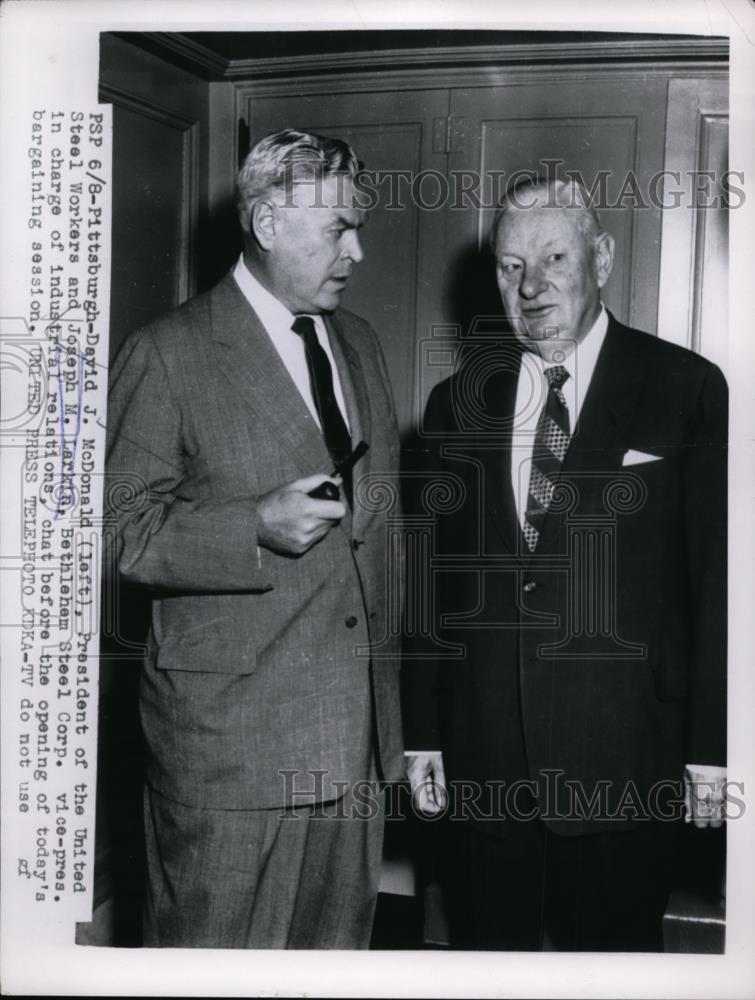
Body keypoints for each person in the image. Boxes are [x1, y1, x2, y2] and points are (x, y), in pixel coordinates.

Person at [403, 175, 727, 951]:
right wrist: (422, 734)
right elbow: (431, 585)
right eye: (511, 266)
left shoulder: (685, 389)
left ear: (602, 257)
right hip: (485, 763)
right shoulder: (455, 405)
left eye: (553, 257)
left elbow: (719, 584)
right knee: (489, 965)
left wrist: (711, 752)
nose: (532, 286)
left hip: (623, 759)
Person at [105, 129, 404, 949]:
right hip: (229, 754)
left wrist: (397, 736)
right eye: (339, 227)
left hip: (352, 754)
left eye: (358, 226)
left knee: (331, 962)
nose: (358, 250)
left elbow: (381, 540)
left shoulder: (362, 346)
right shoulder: (167, 354)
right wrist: (252, 528)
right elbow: (117, 535)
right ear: (269, 222)